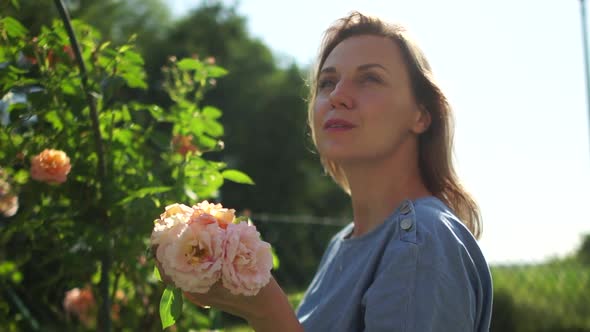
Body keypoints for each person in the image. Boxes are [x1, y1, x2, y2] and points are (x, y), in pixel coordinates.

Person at [168, 11, 493, 332]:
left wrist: (267, 312)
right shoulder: (343, 243)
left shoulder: (421, 240)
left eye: (370, 78)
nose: (337, 96)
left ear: (421, 115)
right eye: (327, 82)